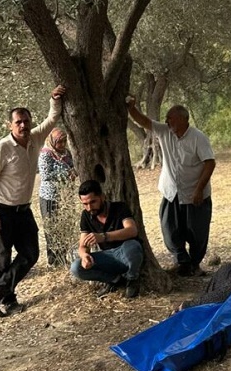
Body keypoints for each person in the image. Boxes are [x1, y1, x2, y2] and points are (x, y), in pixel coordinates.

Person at [0, 85, 66, 317]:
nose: (23, 125)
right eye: (18, 122)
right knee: (2, 259)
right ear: (10, 125)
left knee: (31, 253)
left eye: (26, 121)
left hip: (23, 210)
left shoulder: (35, 139)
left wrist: (54, 98)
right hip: (2, 210)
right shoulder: (1, 148)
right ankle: (7, 301)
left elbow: (52, 118)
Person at [126, 99, 215, 276]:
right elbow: (144, 121)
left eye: (171, 118)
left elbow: (210, 163)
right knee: (170, 229)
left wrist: (199, 189)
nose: (167, 121)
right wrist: (131, 108)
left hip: (195, 194)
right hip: (171, 193)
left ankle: (195, 264)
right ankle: (182, 262)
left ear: (183, 120)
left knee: (197, 232)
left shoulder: (198, 138)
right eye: (167, 118)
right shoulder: (165, 131)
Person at [70, 180, 143, 299]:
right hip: (108, 256)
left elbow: (132, 230)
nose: (89, 207)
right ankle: (115, 281)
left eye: (93, 202)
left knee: (133, 247)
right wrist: (84, 256)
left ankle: (132, 279)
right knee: (76, 267)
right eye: (85, 204)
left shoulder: (119, 208)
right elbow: (83, 245)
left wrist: (104, 236)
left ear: (102, 197)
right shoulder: (86, 216)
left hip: (125, 251)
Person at [38, 127, 75, 266]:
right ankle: (54, 260)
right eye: (59, 142)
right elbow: (46, 175)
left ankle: (65, 255)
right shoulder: (46, 154)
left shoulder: (67, 153)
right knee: (52, 227)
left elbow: (74, 166)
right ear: (53, 141)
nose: (62, 144)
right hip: (49, 196)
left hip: (65, 195)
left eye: (64, 141)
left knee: (64, 225)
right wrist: (66, 174)